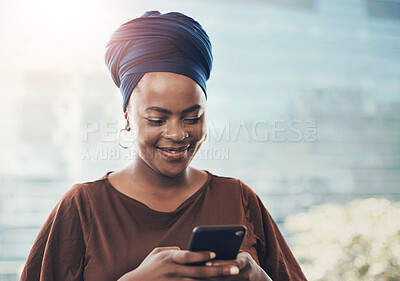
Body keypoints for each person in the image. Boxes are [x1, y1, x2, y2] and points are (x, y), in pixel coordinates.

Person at [20, 11, 307, 281]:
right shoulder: (82, 207)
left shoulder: (239, 198)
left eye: (192, 117)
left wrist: (261, 278)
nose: (178, 134)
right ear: (128, 119)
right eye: (157, 119)